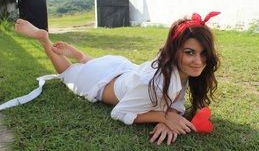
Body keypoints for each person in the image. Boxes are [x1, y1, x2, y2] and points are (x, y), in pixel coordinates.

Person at [14, 11, 220, 145]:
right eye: (190, 52)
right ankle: (44, 39)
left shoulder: (174, 68)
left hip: (120, 68)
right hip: (98, 80)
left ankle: (81, 56)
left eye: (203, 53)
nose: (199, 61)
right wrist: (163, 117)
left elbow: (175, 100)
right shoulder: (155, 84)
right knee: (66, 73)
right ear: (176, 51)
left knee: (92, 65)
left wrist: (171, 115)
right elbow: (119, 112)